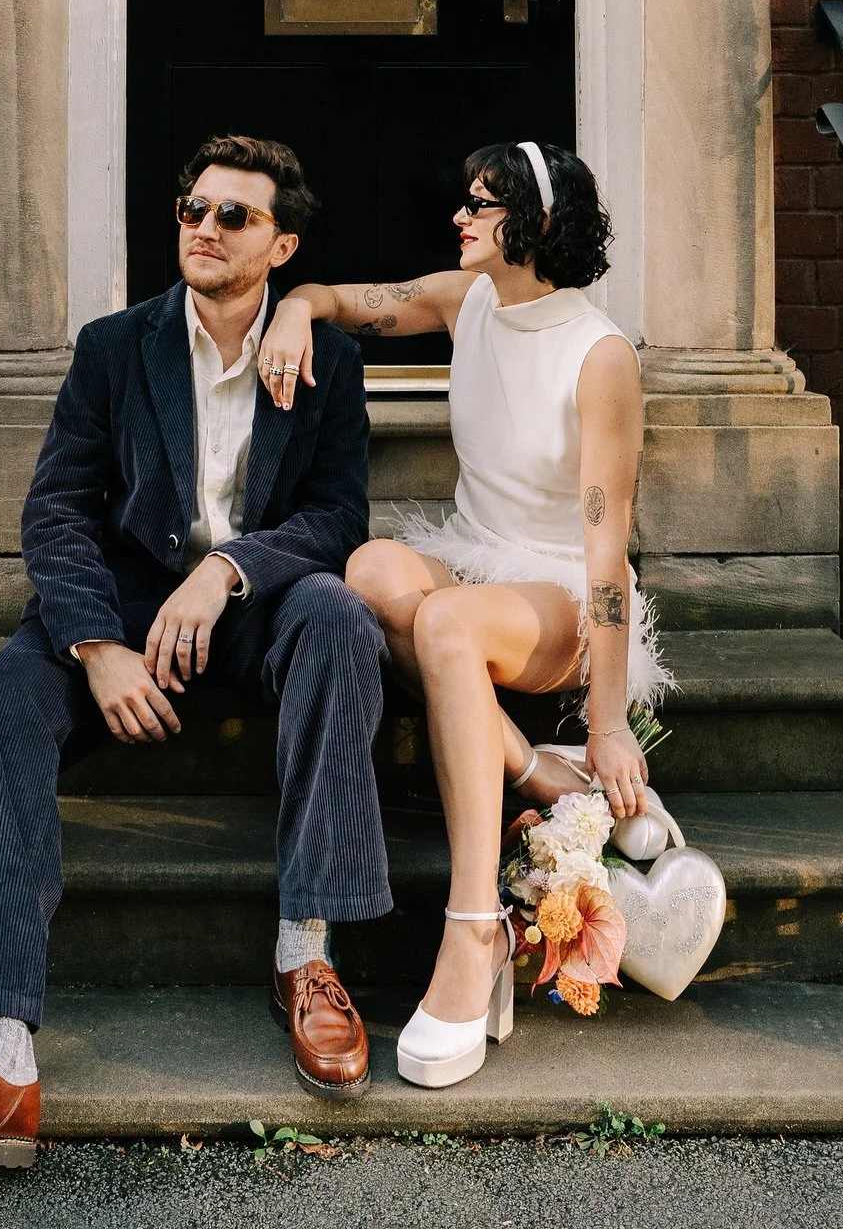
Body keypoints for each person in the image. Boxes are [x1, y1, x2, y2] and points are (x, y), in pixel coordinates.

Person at [0, 135, 390, 1168]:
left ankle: (308, 953)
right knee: (0, 700)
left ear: (280, 244)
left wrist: (228, 569)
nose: (203, 227)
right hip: (123, 601)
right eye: (192, 208)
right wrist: (97, 643)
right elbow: (57, 510)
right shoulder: (115, 346)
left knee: (343, 623)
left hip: (252, 602)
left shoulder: (330, 361)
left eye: (232, 216)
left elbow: (336, 518)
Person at [257, 140, 669, 1089]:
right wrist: (296, 306)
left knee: (442, 626)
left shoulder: (599, 354)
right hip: (478, 557)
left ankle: (473, 925)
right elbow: (354, 298)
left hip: (562, 592)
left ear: (538, 226)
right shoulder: (464, 297)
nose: (461, 217)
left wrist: (608, 724)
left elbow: (607, 554)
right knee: (367, 567)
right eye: (468, 202)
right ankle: (530, 771)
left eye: (483, 206)